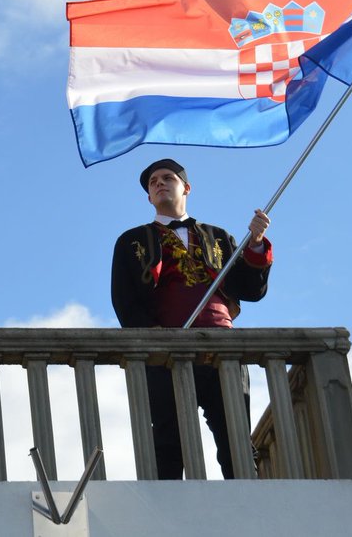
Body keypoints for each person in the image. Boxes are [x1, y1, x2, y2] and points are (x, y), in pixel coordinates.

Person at [110, 158, 271, 479]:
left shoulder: (219, 236)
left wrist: (254, 244)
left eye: (167, 178)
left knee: (235, 437)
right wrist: (152, 340)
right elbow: (124, 300)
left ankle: (250, 508)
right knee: (170, 438)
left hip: (223, 348)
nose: (159, 183)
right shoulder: (131, 240)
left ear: (186, 187)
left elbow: (250, 290)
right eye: (153, 181)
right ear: (148, 197)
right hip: (166, 351)